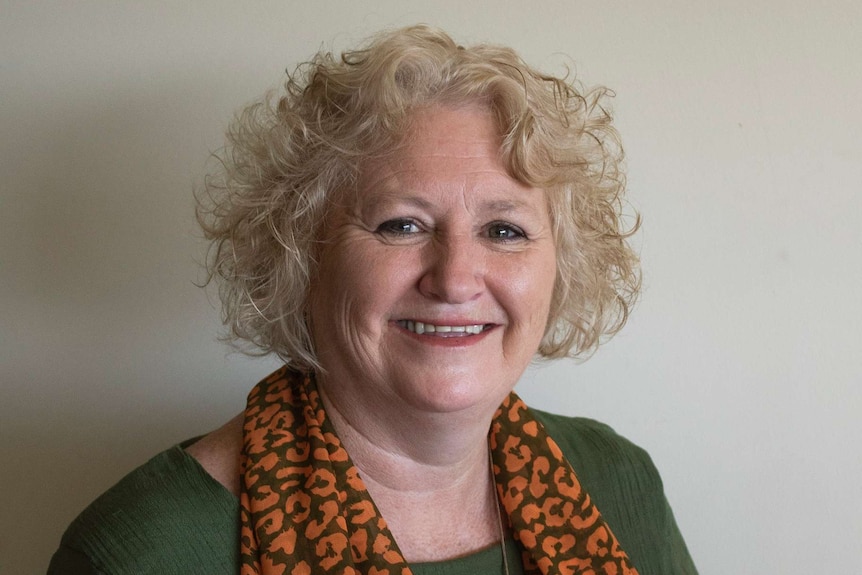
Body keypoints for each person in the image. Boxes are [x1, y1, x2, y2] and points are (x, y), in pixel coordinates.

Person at [49, 25, 697, 574]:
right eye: (401, 224)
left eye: (504, 229)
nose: (455, 278)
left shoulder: (616, 481)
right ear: (304, 254)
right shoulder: (142, 551)